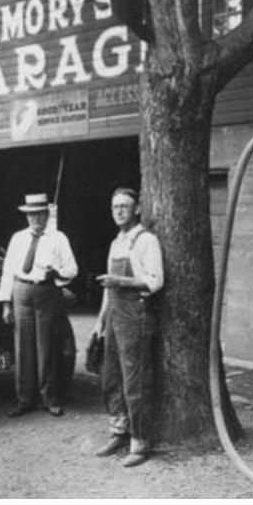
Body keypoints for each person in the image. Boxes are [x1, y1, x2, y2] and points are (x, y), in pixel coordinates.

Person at [93, 188, 164, 468]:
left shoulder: (147, 240)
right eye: (114, 207)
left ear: (137, 209)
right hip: (113, 313)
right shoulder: (116, 242)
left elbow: (155, 281)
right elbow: (107, 289)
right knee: (111, 376)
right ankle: (118, 431)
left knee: (135, 379)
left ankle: (140, 441)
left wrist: (121, 282)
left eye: (124, 206)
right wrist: (100, 321)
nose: (119, 211)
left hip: (136, 314)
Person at [0, 193, 78, 417]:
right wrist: (6, 304)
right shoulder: (18, 238)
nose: (36, 219)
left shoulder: (58, 238)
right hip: (21, 292)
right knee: (23, 347)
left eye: (40, 214)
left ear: (47, 215)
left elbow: (72, 269)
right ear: (27, 216)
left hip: (46, 292)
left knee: (46, 346)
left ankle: (49, 398)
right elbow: (7, 272)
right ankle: (24, 400)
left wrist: (58, 273)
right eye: (31, 215)